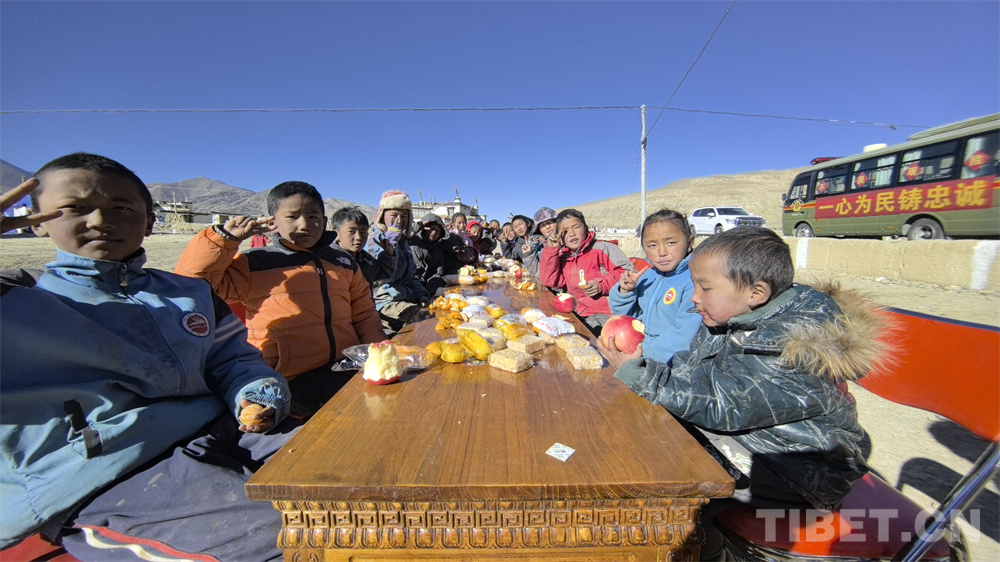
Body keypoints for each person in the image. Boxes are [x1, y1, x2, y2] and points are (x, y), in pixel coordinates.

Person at [0, 154, 296, 561]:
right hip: (103, 475)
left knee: (365, 471)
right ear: (35, 221)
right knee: (298, 537)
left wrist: (258, 394)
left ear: (149, 222)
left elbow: (232, 360)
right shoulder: (15, 298)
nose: (100, 220)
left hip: (226, 429)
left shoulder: (188, 293)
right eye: (76, 207)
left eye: (121, 208)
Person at [598, 226, 887, 560]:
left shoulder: (792, 348)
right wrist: (650, 371)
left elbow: (723, 406)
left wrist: (643, 377)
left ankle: (705, 553)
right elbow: (693, 366)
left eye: (705, 288)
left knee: (678, 494)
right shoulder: (733, 317)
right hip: (752, 441)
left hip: (796, 470)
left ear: (756, 292)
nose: (694, 297)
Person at [176, 181, 386, 417]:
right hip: (284, 380)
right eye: (293, 216)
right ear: (272, 221)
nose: (304, 225)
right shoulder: (253, 264)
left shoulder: (343, 263)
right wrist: (222, 240)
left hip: (343, 369)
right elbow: (190, 286)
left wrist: (380, 350)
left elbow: (364, 314)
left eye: (313, 216)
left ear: (325, 221)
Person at [609, 209, 702, 364]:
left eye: (671, 243)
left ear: (690, 242)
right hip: (637, 350)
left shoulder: (694, 282)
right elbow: (626, 318)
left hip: (668, 362)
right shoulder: (647, 277)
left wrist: (641, 353)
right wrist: (626, 291)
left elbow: (684, 337)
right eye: (652, 245)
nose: (662, 252)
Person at [538, 208, 630, 334]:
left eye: (576, 227)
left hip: (605, 313)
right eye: (565, 231)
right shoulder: (563, 256)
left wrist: (601, 285)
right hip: (576, 311)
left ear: (586, 228)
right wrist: (551, 250)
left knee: (582, 335)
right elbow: (549, 281)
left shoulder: (603, 248)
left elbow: (627, 273)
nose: (571, 233)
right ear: (559, 236)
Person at [366, 189, 428, 334]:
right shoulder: (375, 240)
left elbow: (411, 277)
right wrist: (390, 250)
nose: (399, 221)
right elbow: (379, 277)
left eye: (404, 216)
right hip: (385, 302)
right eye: (394, 215)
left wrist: (422, 294)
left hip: (406, 297)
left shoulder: (404, 242)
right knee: (423, 319)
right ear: (382, 216)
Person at [331, 205, 385, 291]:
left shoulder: (366, 259)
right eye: (352, 232)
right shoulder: (330, 259)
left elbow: (382, 274)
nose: (358, 237)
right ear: (336, 235)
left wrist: (388, 254)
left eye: (363, 232)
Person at [409, 213, 450, 296]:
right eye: (431, 229)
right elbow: (399, 236)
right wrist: (415, 228)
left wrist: (431, 285)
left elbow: (438, 272)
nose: (434, 232)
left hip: (426, 289)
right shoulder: (412, 241)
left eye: (438, 231)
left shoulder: (437, 252)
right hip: (409, 285)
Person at [521, 206, 556, 276]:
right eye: (543, 225)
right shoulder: (541, 248)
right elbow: (538, 273)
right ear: (539, 230)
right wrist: (528, 255)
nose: (548, 227)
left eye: (550, 222)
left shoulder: (567, 243)